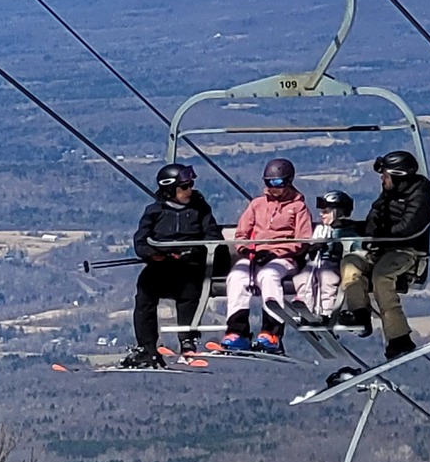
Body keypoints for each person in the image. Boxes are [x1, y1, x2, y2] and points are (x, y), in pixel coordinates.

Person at [339, 149, 430, 361]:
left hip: (406, 252)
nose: (382, 180)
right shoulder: (388, 195)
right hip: (381, 249)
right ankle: (359, 313)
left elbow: (409, 228)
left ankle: (399, 338)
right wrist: (354, 227)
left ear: (399, 176)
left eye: (386, 176)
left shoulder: (420, 197)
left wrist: (380, 235)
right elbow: (374, 221)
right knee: (350, 264)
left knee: (382, 277)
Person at [124, 162, 224, 369]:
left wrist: (192, 252)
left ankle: (187, 341)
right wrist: (154, 255)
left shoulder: (200, 210)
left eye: (190, 186)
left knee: (188, 292)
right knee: (145, 292)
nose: (190, 191)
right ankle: (147, 346)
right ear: (170, 190)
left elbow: (213, 237)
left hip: (190, 265)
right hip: (162, 265)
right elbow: (141, 242)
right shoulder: (154, 212)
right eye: (184, 187)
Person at [218, 158, 314, 353]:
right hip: (255, 255)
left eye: (277, 183)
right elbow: (241, 234)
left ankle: (272, 332)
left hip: (284, 258)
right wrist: (247, 250)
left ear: (288, 181)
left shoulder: (298, 207)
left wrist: (276, 252)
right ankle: (237, 331)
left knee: (268, 276)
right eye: (268, 182)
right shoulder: (257, 205)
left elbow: (302, 240)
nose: (272, 188)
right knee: (236, 277)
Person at [294, 190, 362, 324]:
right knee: (303, 277)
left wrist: (338, 247)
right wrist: (313, 248)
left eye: (326, 212)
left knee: (327, 278)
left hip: (336, 265)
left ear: (338, 212)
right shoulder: (320, 230)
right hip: (317, 263)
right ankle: (306, 308)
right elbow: (310, 249)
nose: (321, 215)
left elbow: (357, 251)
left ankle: (327, 313)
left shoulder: (350, 232)